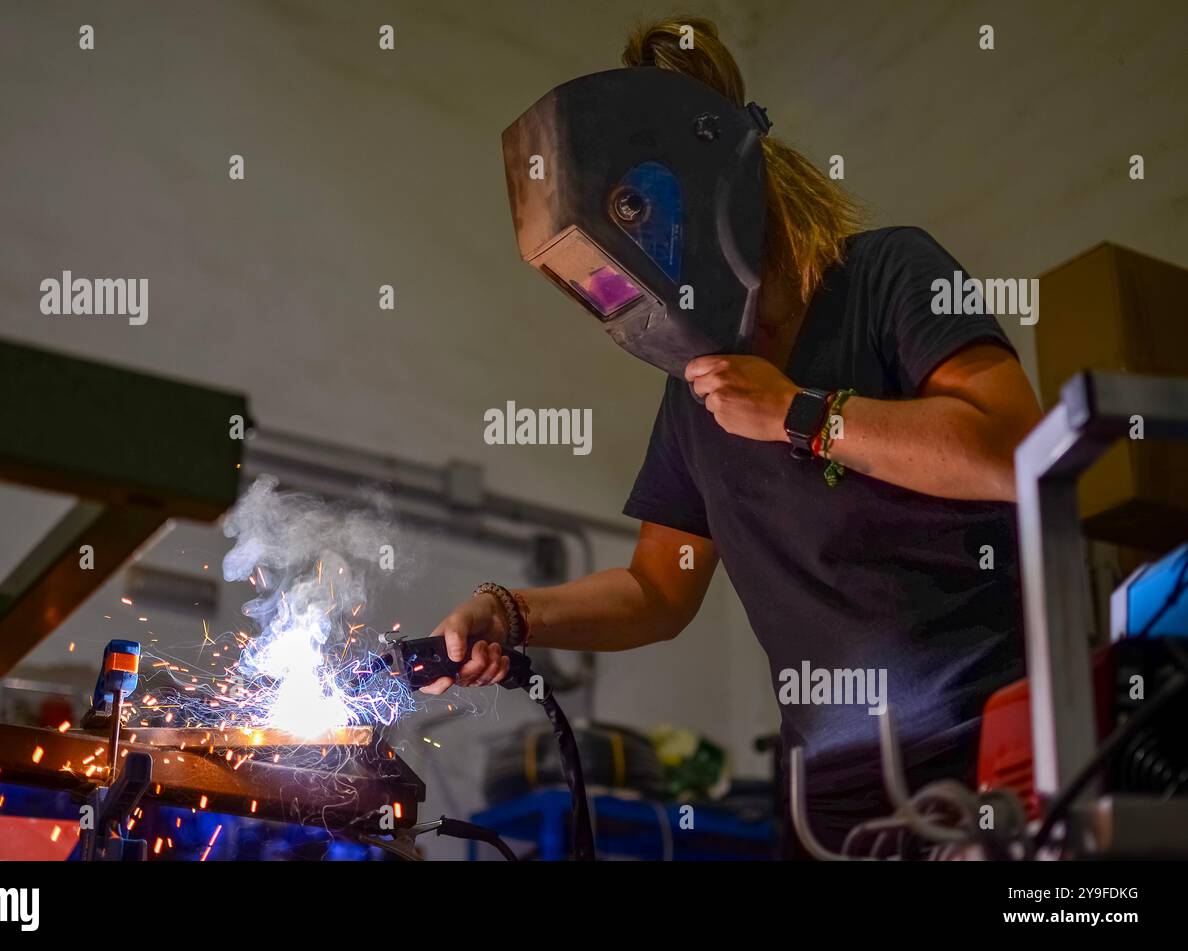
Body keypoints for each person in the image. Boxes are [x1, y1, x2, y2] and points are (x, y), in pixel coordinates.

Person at [425, 16, 1042, 857]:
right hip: (828, 805)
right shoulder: (695, 396)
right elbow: (657, 590)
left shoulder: (890, 276)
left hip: (989, 753)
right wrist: (510, 613)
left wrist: (800, 412)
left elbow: (1012, 454)